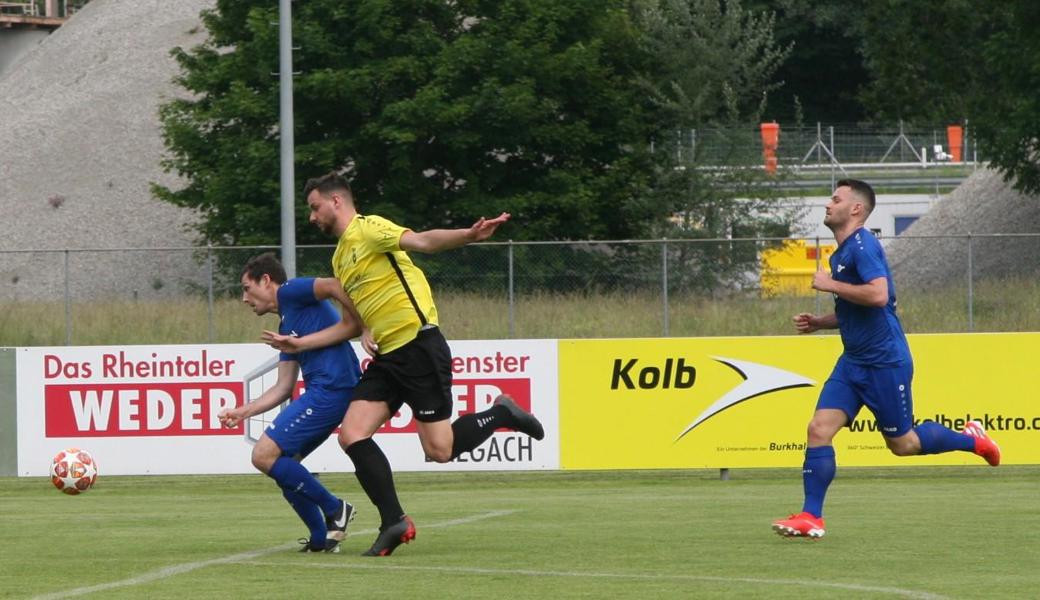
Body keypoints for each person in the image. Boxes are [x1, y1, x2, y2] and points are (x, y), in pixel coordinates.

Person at [264, 171, 545, 557]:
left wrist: (467, 234)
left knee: (440, 450)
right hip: (386, 357)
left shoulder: (369, 228)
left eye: (314, 208)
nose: (312, 217)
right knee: (352, 434)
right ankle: (394, 521)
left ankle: (500, 412)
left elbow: (422, 241)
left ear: (336, 201)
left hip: (418, 346)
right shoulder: (340, 257)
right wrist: (297, 344)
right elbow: (350, 325)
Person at [772, 179, 1001, 539]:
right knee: (818, 429)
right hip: (853, 363)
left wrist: (829, 285)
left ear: (856, 209)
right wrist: (821, 322)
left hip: (884, 362)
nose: (828, 205)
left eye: (836, 199)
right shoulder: (843, 252)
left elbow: (877, 295)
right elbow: (868, 305)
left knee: (903, 444)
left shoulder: (863, 245)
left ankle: (973, 440)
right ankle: (811, 516)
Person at [218, 253, 364, 553]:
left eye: (247, 288)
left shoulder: (291, 291)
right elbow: (283, 387)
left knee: (263, 455)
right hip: (325, 392)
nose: (244, 298)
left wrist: (359, 324)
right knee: (284, 466)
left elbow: (335, 285)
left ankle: (336, 509)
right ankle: (321, 538)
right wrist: (241, 411)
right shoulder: (286, 327)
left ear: (267, 281)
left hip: (332, 389)